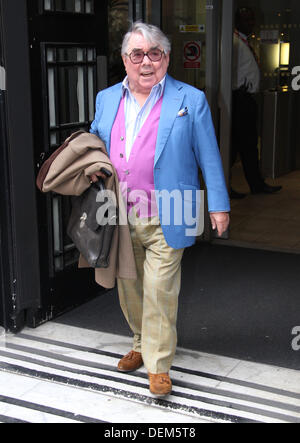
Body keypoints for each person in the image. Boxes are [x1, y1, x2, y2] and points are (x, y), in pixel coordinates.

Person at [89, 22, 230, 397]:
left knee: (160, 290)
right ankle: (139, 342)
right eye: (137, 54)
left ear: (166, 58)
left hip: (174, 207)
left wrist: (218, 205)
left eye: (155, 53)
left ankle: (159, 363)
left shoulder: (191, 99)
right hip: (116, 210)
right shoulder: (106, 98)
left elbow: (209, 156)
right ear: (125, 60)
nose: (146, 62)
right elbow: (94, 143)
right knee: (129, 287)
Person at [231, 7, 282, 198]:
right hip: (239, 98)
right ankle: (252, 185)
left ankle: (256, 184)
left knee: (246, 145)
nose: (251, 23)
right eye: (246, 19)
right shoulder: (234, 42)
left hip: (245, 98)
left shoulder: (243, 41)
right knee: (242, 146)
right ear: (236, 21)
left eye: (252, 19)